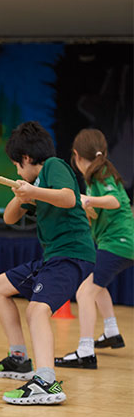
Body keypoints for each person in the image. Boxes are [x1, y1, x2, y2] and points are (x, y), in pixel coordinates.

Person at [0, 121, 96, 405]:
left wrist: (32, 192)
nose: (16, 172)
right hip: (53, 258)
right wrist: (21, 192)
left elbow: (69, 198)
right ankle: (19, 358)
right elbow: (10, 218)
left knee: (37, 310)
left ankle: (46, 381)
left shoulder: (54, 167)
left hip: (72, 254)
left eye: (16, 166)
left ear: (25, 158)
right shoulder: (36, 183)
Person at [55, 128, 134, 369]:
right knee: (95, 285)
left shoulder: (100, 175)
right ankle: (110, 332)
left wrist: (88, 200)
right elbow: (98, 212)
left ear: (76, 156)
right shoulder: (98, 176)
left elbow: (115, 202)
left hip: (119, 242)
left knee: (84, 292)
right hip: (120, 243)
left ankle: (86, 351)